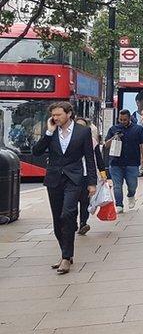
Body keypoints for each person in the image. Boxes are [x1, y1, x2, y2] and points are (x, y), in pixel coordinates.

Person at [31, 102, 97, 274]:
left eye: (59, 114)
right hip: (54, 179)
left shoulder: (83, 131)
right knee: (57, 220)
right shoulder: (51, 132)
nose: (55, 118)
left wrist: (92, 183)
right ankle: (64, 252)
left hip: (74, 179)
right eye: (53, 115)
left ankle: (67, 257)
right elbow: (36, 152)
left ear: (69, 114)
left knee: (68, 214)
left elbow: (90, 158)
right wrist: (48, 132)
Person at [107, 109, 143, 213]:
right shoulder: (113, 129)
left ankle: (131, 194)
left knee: (132, 184)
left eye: (125, 120)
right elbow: (106, 145)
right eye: (120, 120)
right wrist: (114, 137)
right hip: (116, 162)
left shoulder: (138, 129)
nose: (122, 122)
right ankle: (119, 204)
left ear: (129, 118)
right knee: (117, 185)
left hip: (132, 162)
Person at [74, 118, 107, 237]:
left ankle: (83, 223)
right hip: (72, 176)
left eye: (83, 127)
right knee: (71, 202)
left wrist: (103, 175)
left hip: (86, 175)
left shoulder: (92, 141)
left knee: (84, 201)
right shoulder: (69, 140)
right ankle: (73, 223)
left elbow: (98, 158)